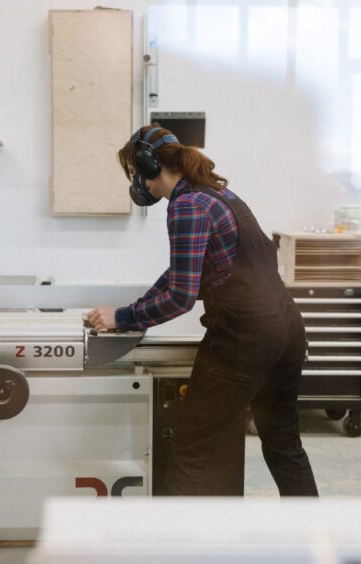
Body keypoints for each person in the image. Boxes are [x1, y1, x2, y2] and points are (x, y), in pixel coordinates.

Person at [88, 125, 318, 497]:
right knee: (282, 441)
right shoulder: (218, 193)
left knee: (192, 445)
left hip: (245, 339)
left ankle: (185, 547)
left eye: (134, 172)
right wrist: (135, 306)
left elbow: (181, 296)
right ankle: (314, 541)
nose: (136, 183)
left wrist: (123, 318)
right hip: (287, 330)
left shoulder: (186, 206)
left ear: (149, 167)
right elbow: (185, 273)